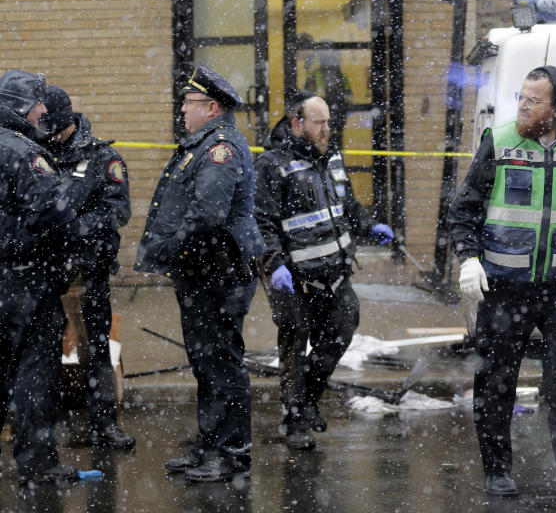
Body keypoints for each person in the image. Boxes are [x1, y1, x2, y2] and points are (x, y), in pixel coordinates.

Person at [447, 65, 556, 499]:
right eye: (521, 98)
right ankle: (496, 470)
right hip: (505, 286)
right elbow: (463, 211)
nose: (523, 107)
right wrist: (468, 259)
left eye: (533, 100)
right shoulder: (501, 141)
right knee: (497, 382)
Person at [134, 65, 265, 482]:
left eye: (188, 104)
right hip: (202, 271)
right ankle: (209, 445)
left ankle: (231, 454)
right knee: (206, 362)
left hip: (219, 272)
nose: (182, 111)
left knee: (223, 363)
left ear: (211, 107)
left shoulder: (220, 149)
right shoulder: (203, 143)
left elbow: (208, 213)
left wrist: (170, 247)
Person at [254, 92, 393, 450]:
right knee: (294, 349)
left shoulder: (331, 157)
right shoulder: (272, 165)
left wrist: (369, 224)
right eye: (320, 122)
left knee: (343, 329)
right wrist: (275, 266)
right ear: (297, 123)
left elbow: (345, 205)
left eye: (328, 121)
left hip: (335, 273)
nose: (327, 128)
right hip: (295, 280)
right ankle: (295, 419)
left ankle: (308, 399)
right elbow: (262, 223)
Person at [38, 85, 134, 450]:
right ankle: (40, 428)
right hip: (43, 269)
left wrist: (76, 228)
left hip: (85, 269)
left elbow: (116, 209)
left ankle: (104, 424)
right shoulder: (35, 152)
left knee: (94, 349)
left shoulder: (101, 159)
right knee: (43, 349)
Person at [0, 69, 81, 485]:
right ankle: (38, 464)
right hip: (26, 282)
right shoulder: (23, 153)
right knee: (35, 372)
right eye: (37, 104)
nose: (44, 111)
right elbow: (57, 211)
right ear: (19, 108)